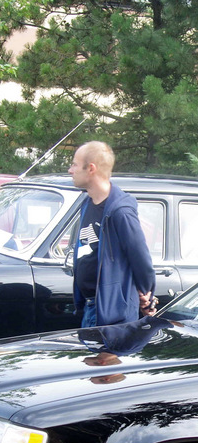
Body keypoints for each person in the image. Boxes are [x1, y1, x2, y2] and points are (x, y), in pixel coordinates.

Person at [69, 140, 156, 327]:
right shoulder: (87, 204)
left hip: (112, 314)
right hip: (91, 308)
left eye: (74, 165)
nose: (70, 170)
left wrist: (146, 296)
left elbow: (140, 258)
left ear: (91, 168)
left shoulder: (120, 212)